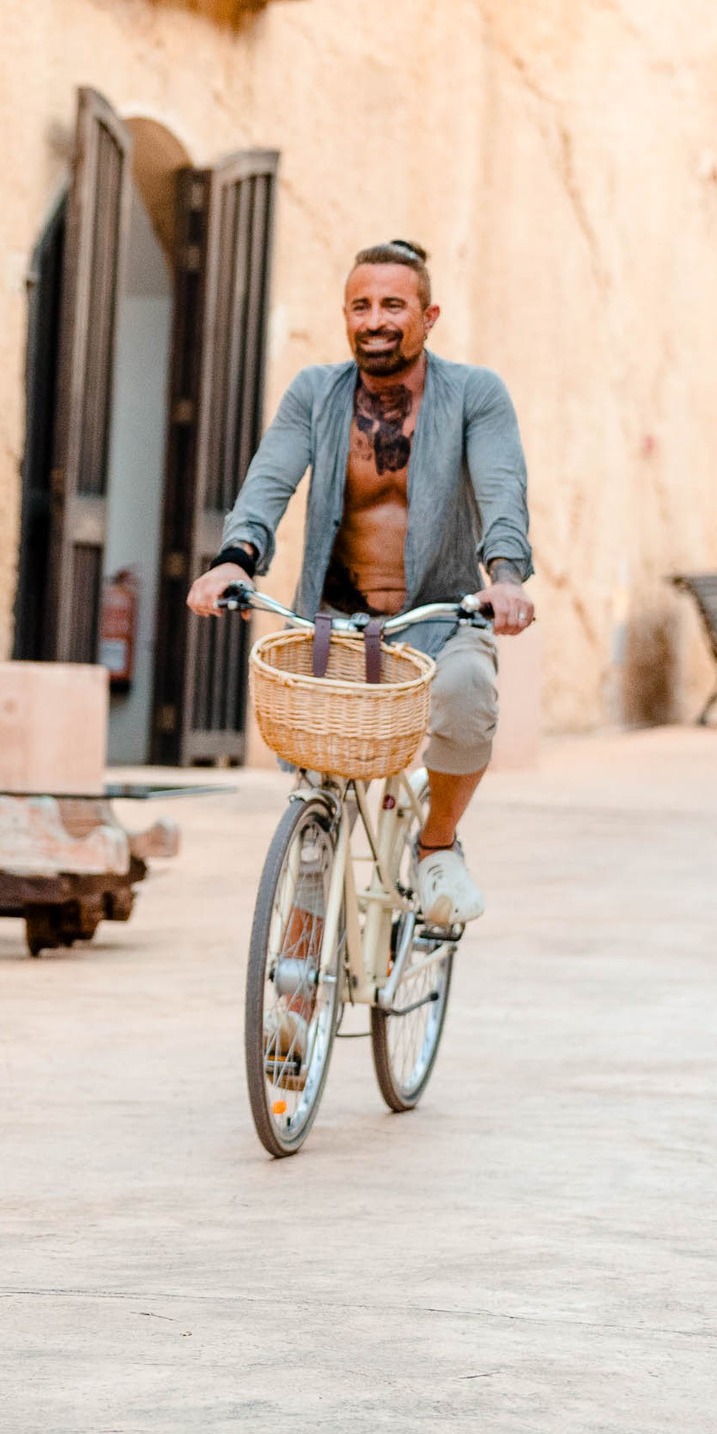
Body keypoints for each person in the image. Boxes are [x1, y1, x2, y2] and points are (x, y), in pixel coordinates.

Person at [185, 239, 535, 927]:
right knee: (315, 807)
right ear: (345, 315)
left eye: (393, 305)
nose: (375, 319)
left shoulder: (473, 394)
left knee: (468, 692)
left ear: (429, 315)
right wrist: (235, 557)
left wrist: (506, 578)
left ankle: (436, 845)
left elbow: (502, 491)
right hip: (333, 623)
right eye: (361, 305)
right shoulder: (316, 394)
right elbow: (269, 480)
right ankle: (297, 977)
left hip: (437, 616)